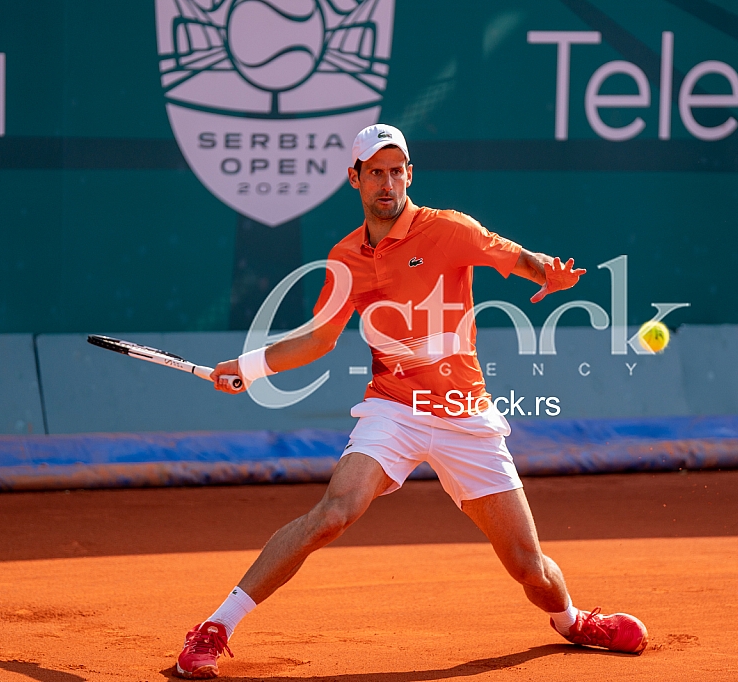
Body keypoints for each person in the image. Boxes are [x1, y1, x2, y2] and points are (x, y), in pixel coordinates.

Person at [174, 124, 648, 679]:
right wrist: (249, 368)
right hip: (392, 409)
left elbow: (517, 257)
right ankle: (215, 627)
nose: (388, 182)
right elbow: (319, 339)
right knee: (333, 514)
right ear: (355, 178)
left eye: (398, 170)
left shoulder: (449, 230)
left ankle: (570, 621)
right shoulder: (345, 257)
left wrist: (551, 274)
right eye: (376, 171)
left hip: (463, 414)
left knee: (529, 571)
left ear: (410, 175)